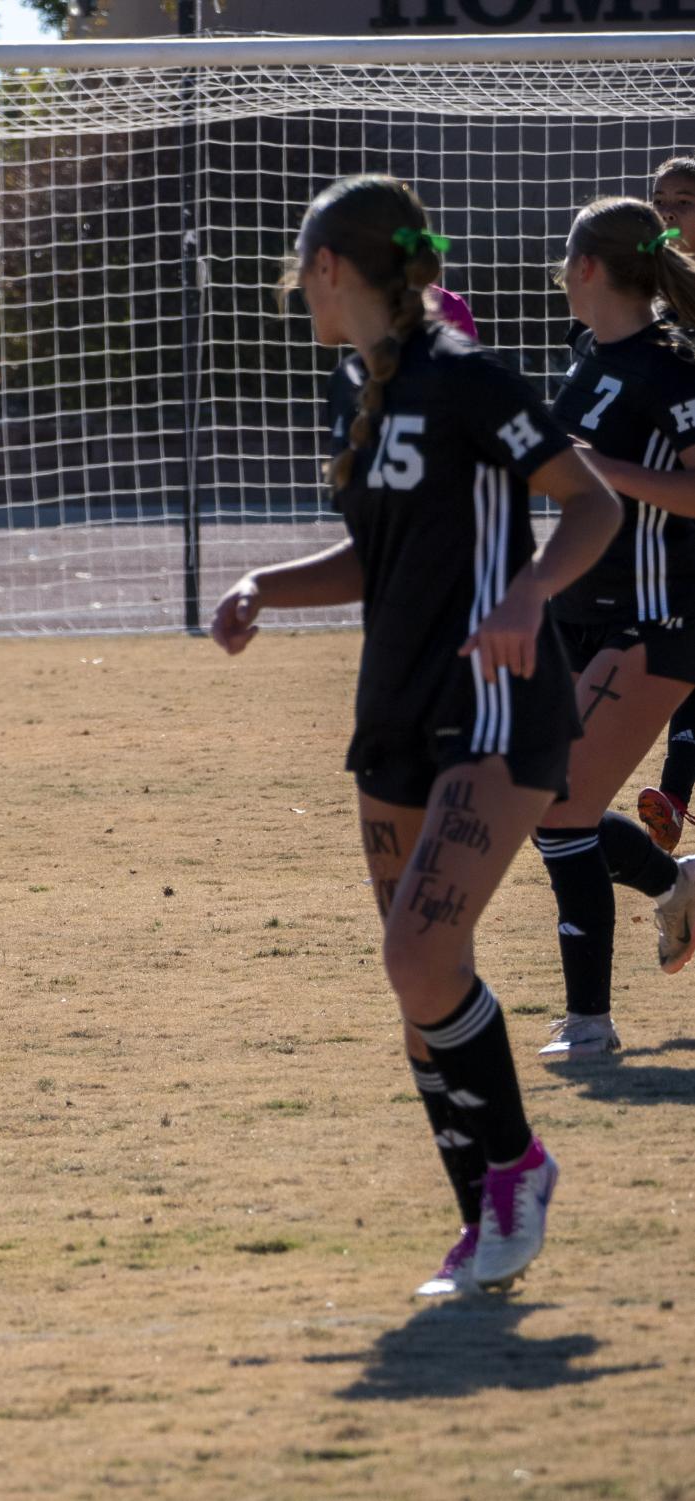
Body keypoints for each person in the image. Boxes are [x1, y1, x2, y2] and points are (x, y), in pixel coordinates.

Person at [211, 176, 620, 1297]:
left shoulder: (473, 380)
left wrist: (531, 594)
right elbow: (372, 559)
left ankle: (520, 1167)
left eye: (302, 272)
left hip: (492, 708)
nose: (299, 291)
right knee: (421, 997)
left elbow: (594, 505)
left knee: (418, 958)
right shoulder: (359, 384)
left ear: (333, 269)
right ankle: (485, 1226)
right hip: (389, 712)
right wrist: (261, 586)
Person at [535, 197, 695, 1061]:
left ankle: (588, 1025)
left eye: (564, 259)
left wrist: (605, 471)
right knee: (541, 802)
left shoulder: (673, 371)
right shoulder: (585, 355)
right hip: (575, 609)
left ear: (588, 266)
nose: (558, 273)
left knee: (561, 811)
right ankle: (675, 885)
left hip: (653, 617)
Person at [629, 157, 695, 850]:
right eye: (659, 201)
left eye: (683, 200)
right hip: (666, 519)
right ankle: (672, 795)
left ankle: (673, 794)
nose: (670, 212)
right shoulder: (645, 305)